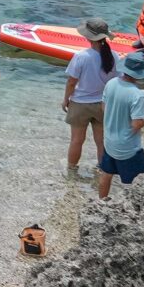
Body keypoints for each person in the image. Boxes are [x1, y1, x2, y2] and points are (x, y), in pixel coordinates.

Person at [97, 57, 144, 199]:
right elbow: (136, 125)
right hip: (128, 148)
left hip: (109, 142)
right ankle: (131, 209)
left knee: (106, 174)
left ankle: (101, 202)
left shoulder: (111, 83)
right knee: (137, 183)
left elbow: (104, 108)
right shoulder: (137, 95)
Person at [60, 17, 114, 172]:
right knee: (101, 141)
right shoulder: (114, 57)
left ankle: (71, 170)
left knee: (77, 140)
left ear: (88, 37)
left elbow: (71, 82)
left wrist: (65, 99)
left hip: (80, 104)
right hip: (103, 105)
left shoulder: (81, 56)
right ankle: (102, 168)